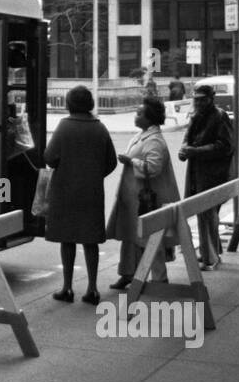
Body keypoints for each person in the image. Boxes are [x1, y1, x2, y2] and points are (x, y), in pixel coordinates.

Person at [44, 85, 117, 305]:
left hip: (65, 192)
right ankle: (92, 288)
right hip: (91, 193)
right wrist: (94, 175)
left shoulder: (64, 127)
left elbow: (50, 158)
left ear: (69, 104)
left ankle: (67, 287)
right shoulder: (100, 128)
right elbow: (111, 162)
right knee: (90, 240)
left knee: (67, 240)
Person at [107, 96, 181, 289]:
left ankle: (159, 279)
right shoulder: (143, 135)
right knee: (132, 237)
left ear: (149, 118)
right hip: (135, 199)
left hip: (146, 200)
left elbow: (153, 167)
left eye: (139, 113)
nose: (135, 115)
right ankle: (128, 273)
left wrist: (132, 162)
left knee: (149, 240)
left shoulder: (154, 140)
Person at [178, 83, 233, 269]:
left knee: (208, 213)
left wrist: (196, 151)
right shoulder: (196, 116)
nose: (199, 103)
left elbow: (225, 146)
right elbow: (187, 137)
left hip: (213, 173)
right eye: (196, 99)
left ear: (211, 99)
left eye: (202, 100)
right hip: (197, 172)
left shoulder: (219, 116)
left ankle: (210, 257)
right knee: (204, 213)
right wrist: (185, 150)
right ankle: (211, 251)